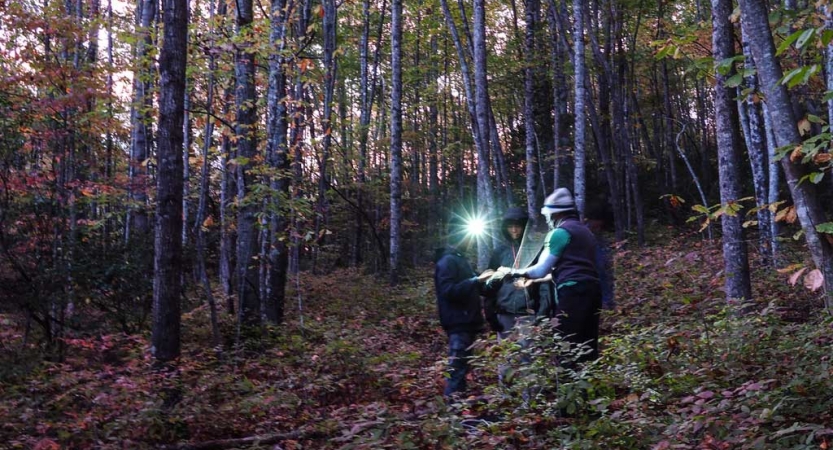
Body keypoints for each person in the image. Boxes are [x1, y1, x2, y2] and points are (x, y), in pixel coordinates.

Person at [501, 188, 602, 362]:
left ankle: (568, 385)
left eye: (547, 215)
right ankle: (590, 385)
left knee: (566, 345)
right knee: (587, 345)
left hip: (572, 295)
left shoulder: (559, 233)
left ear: (555, 214)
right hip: (593, 293)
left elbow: (540, 269)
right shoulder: (586, 232)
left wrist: (513, 272)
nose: (547, 219)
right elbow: (575, 267)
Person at [434, 215, 495, 398]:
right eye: (466, 238)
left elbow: (476, 287)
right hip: (458, 323)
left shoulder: (461, 260)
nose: (469, 242)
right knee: (457, 368)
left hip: (467, 322)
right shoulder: (447, 262)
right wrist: (475, 280)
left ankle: (458, 408)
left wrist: (493, 280)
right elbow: (448, 292)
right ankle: (453, 415)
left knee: (462, 366)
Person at [484, 207, 552, 337]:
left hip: (528, 314)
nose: (514, 230)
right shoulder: (500, 252)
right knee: (506, 355)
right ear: (505, 228)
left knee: (527, 355)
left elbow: (544, 283)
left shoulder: (535, 250)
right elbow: (490, 285)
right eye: (510, 226)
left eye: (518, 226)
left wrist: (543, 313)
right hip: (503, 314)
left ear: (525, 227)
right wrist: (490, 314)